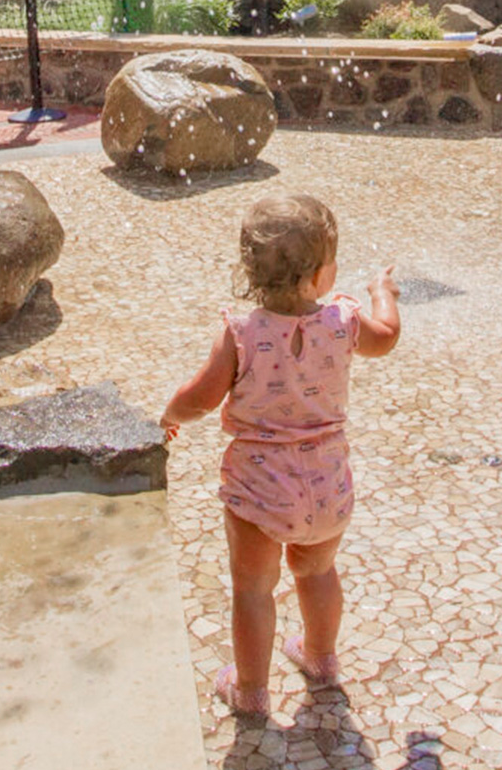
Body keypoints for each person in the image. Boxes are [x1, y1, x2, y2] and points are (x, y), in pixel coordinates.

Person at [161, 191, 401, 717]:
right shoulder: (344, 322)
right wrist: (383, 292)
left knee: (253, 588)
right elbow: (387, 337)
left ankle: (250, 690)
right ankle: (320, 658)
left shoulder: (244, 334)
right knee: (317, 572)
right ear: (321, 277)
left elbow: (200, 397)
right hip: (327, 485)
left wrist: (169, 416)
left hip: (261, 490)